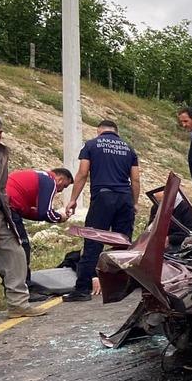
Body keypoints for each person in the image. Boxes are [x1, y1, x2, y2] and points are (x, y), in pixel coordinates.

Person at [0, 115, 47, 324]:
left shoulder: (2, 152)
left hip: (0, 212)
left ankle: (18, 304)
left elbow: (1, 185)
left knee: (16, 256)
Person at [64, 120, 140, 302]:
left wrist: (73, 199)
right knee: (123, 244)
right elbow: (135, 179)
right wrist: (134, 202)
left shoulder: (91, 144)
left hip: (103, 198)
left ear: (99, 132)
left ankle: (83, 289)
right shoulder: (129, 148)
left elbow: (82, 173)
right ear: (117, 132)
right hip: (124, 199)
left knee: (93, 241)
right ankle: (122, 287)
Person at [7, 167, 73, 292]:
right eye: (64, 186)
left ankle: (17, 285)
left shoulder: (38, 176)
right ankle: (25, 288)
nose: (60, 191)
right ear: (60, 179)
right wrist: (60, 217)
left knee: (12, 248)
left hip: (6, 204)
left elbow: (27, 211)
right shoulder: (50, 181)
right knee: (22, 247)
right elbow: (45, 213)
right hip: (9, 207)